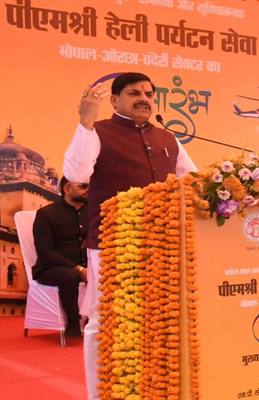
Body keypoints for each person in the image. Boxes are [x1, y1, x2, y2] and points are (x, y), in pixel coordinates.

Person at [63, 72, 197, 400]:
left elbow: (193, 181)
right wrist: (86, 121)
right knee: (104, 320)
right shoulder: (97, 132)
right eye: (134, 93)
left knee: (158, 317)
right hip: (111, 244)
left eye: (149, 94)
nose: (144, 99)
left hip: (162, 244)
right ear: (114, 100)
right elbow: (76, 173)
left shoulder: (168, 139)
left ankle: (151, 387)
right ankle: (99, 394)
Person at [32, 176, 88, 337]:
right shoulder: (46, 214)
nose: (87, 190)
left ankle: (97, 320)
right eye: (83, 186)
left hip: (86, 266)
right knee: (69, 276)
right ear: (67, 189)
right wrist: (78, 269)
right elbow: (45, 252)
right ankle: (73, 322)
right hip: (51, 269)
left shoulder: (93, 212)